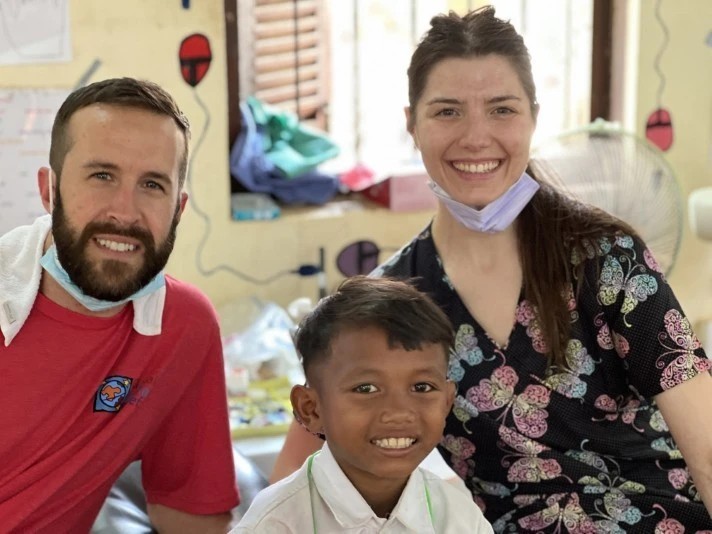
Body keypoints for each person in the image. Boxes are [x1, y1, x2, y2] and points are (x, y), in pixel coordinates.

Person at [271, 7, 712, 532]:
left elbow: (707, 449)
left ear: (533, 117)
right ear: (412, 124)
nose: (476, 137)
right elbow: (294, 478)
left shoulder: (609, 259)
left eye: (502, 109)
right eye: (448, 112)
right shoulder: (389, 304)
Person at [0, 77, 239, 532]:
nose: (125, 212)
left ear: (178, 209)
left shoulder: (181, 326)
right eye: (102, 176)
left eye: (152, 184)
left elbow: (189, 512)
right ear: (49, 191)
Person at [233, 276, 493, 533]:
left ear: (447, 402)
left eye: (422, 387)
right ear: (310, 409)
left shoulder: (462, 520)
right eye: (366, 388)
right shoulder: (272, 526)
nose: (399, 412)